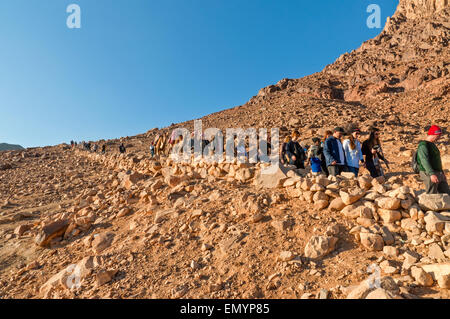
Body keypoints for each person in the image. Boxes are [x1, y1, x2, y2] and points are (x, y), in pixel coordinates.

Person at [417, 125, 449, 195]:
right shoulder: (423, 145)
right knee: (432, 194)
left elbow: (436, 161)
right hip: (428, 173)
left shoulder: (432, 145)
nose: (439, 138)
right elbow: (424, 160)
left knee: (446, 193)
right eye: (438, 136)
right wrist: (431, 174)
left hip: (438, 173)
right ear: (433, 134)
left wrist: (441, 173)